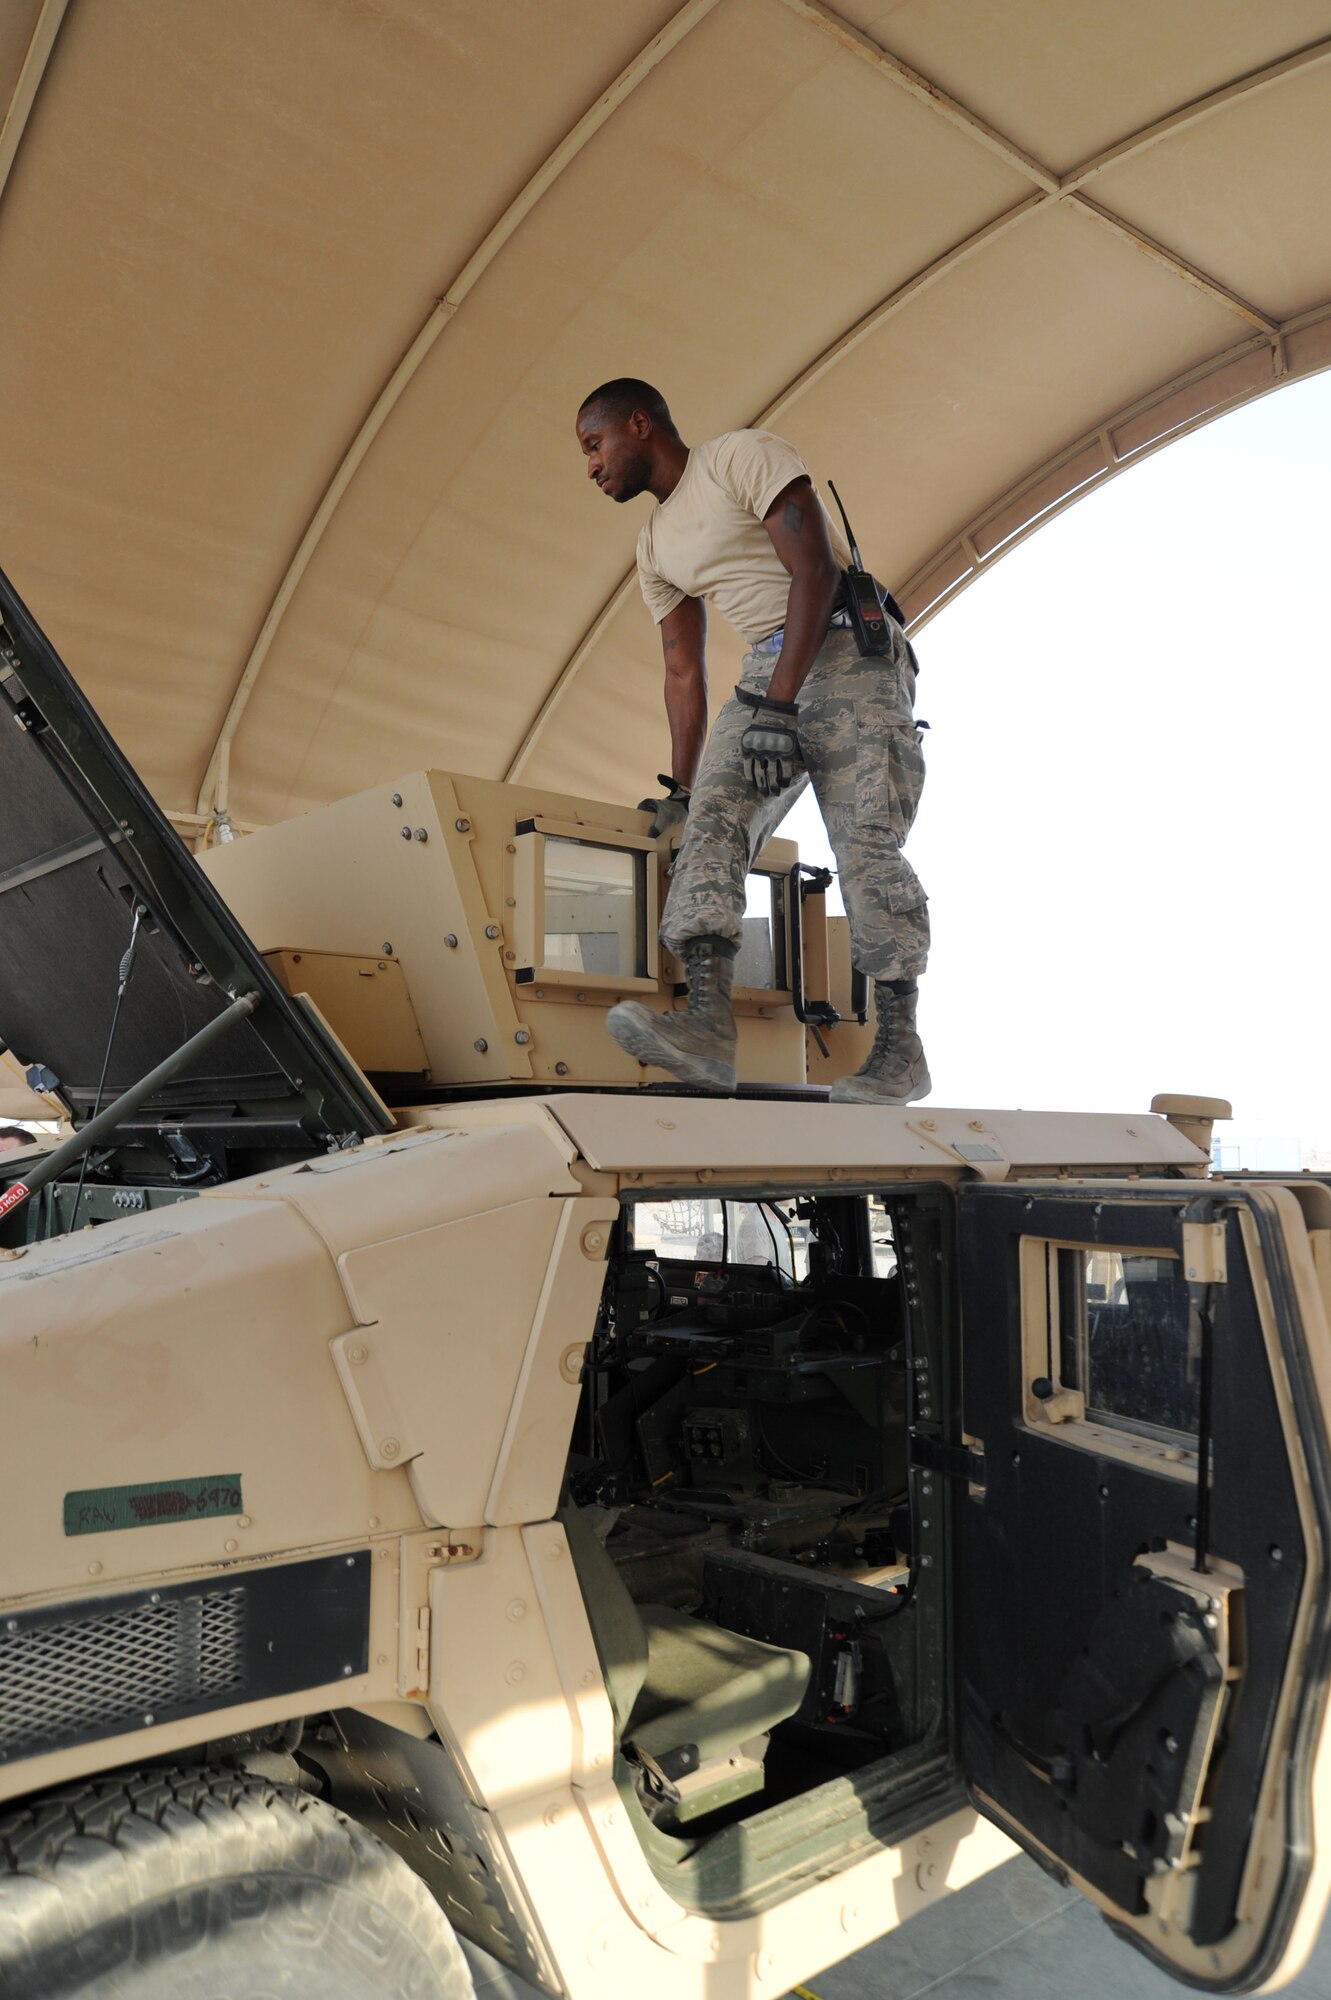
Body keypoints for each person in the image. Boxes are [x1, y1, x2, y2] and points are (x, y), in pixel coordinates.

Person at [575, 379, 930, 1104]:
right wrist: (681, 788)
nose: (590, 467)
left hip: (845, 648)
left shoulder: (738, 457)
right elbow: (681, 670)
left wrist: (780, 705)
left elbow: (815, 569)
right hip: (767, 668)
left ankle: (900, 1050)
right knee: (708, 821)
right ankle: (707, 1026)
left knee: (863, 840)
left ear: (637, 424)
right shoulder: (651, 546)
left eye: (593, 445)